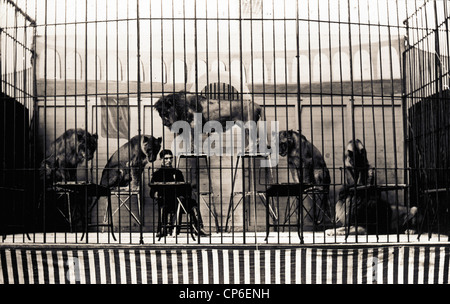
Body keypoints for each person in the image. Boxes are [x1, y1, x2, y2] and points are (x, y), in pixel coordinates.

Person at [149, 149, 208, 237]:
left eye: (170, 158)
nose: (169, 161)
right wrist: (156, 194)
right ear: (161, 159)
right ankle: (162, 229)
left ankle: (199, 228)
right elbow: (152, 191)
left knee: (193, 203)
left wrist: (185, 194)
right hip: (166, 201)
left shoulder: (177, 173)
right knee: (163, 205)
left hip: (179, 200)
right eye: (166, 159)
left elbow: (185, 188)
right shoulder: (157, 174)